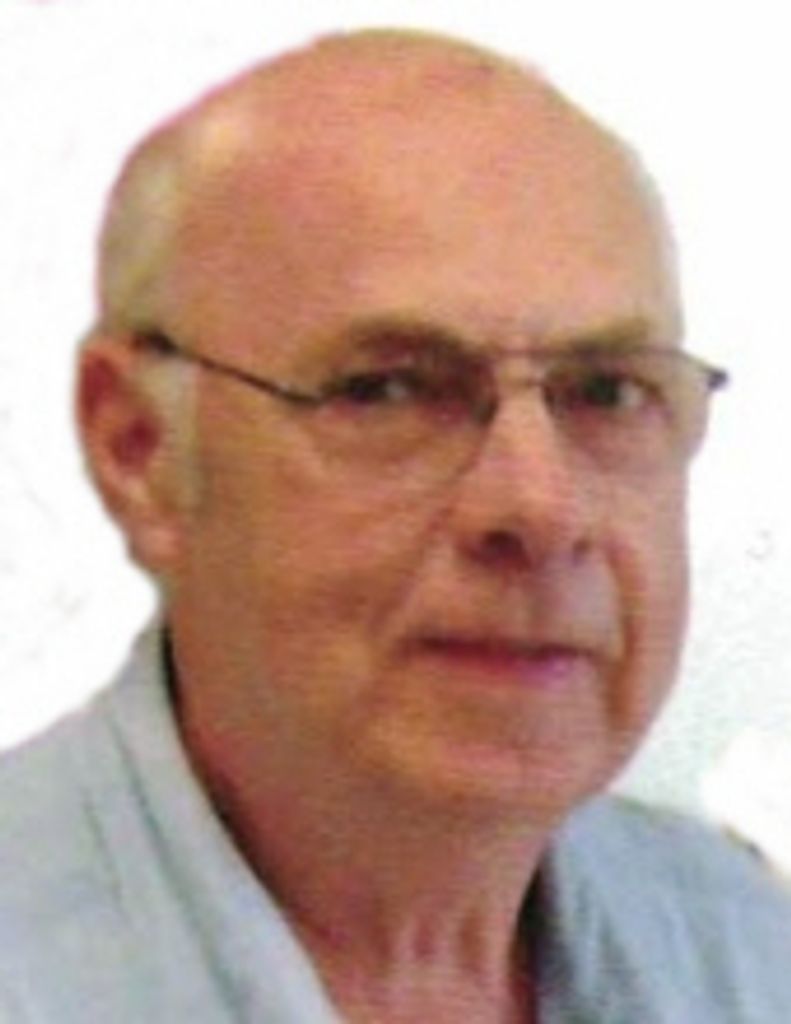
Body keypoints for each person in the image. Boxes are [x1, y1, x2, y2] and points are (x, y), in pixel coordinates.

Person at [1, 27, 788, 1023]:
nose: (538, 507)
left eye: (605, 392)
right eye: (387, 389)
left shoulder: (746, 954)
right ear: (139, 449)